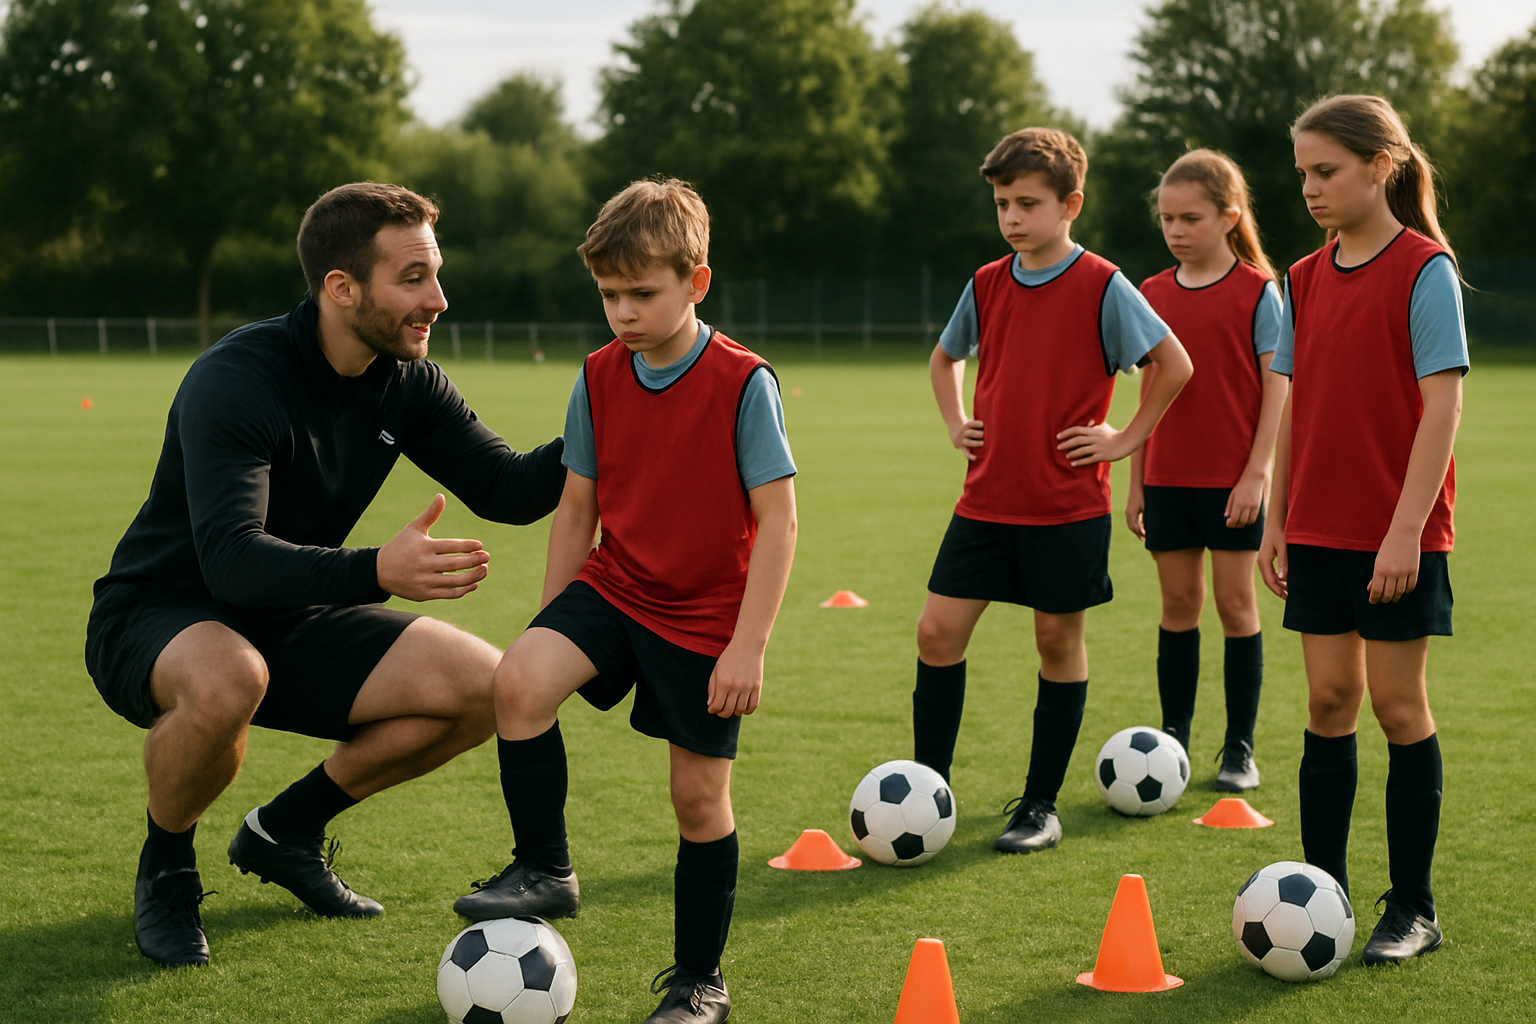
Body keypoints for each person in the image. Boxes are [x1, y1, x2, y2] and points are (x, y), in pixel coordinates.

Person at [84, 183, 566, 967]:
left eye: (435, 274)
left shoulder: (407, 379)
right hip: (159, 612)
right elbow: (232, 561)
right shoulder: (239, 377)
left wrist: (609, 415)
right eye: (413, 278)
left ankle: (286, 831)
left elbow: (510, 490)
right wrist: (380, 568)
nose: (438, 299)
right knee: (229, 678)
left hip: (290, 612)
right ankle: (167, 867)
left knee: (488, 686)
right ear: (341, 288)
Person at [452, 179, 797, 1024]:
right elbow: (577, 507)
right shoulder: (599, 376)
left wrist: (747, 647)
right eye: (609, 295)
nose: (624, 312)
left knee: (697, 799)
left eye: (643, 294)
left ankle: (697, 985)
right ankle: (545, 868)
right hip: (617, 583)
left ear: (696, 282)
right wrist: (549, 620)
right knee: (519, 679)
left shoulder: (743, 382)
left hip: (708, 613)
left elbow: (780, 522)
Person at [911, 127, 1193, 854]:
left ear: (1070, 204)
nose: (1011, 217)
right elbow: (945, 361)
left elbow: (1175, 363)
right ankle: (926, 792)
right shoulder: (986, 282)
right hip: (984, 500)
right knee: (937, 633)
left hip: (1066, 508)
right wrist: (956, 421)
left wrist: (1126, 437)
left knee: (1055, 640)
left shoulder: (1103, 284)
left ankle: (1039, 804)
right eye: (1002, 203)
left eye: (1027, 203)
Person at [1259, 94, 1467, 965]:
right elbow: (1294, 407)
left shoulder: (1426, 271)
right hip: (1314, 529)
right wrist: (1275, 518)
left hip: (1397, 536)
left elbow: (1443, 405)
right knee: (1329, 702)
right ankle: (1326, 897)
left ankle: (1414, 908)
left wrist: (1405, 530)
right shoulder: (1301, 278)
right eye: (1303, 172)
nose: (1309, 187)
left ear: (1381, 166)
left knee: (1394, 704)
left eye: (1326, 171)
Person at [1126, 150, 1288, 790]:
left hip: (1233, 483)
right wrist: (1136, 479)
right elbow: (1146, 397)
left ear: (1229, 216)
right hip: (1166, 479)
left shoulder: (1258, 291)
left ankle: (1239, 749)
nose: (1175, 230)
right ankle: (1174, 744)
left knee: (1235, 604)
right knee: (1178, 606)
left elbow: (1279, 388)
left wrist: (1257, 473)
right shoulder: (1152, 293)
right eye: (1167, 218)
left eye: (1189, 218)